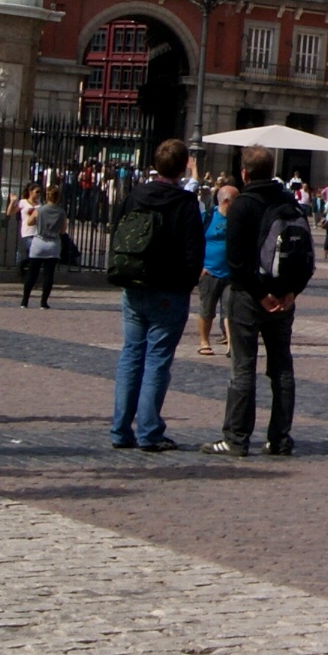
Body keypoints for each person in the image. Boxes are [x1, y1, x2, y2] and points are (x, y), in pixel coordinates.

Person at [209, 146, 309, 457]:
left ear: (244, 173)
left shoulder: (243, 205)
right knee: (281, 368)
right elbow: (304, 255)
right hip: (285, 298)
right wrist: (292, 291)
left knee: (243, 367)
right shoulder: (289, 202)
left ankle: (236, 438)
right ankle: (279, 438)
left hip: (249, 298)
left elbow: (236, 261)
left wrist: (259, 294)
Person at [107, 139, 205, 451]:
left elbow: (116, 228)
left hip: (134, 283)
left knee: (131, 355)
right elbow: (194, 251)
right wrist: (187, 282)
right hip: (169, 288)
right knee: (157, 360)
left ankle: (120, 429)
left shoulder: (136, 193)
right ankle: (149, 431)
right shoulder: (185, 203)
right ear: (182, 167)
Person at [195, 182, 238, 352]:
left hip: (230, 272)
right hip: (209, 271)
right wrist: (199, 266)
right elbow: (195, 242)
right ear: (226, 201)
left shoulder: (238, 219)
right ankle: (204, 342)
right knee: (207, 310)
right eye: (236, 199)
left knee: (230, 311)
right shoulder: (208, 217)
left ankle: (230, 343)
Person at [18, 180, 66, 307]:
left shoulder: (40, 210)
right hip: (53, 243)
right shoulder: (61, 212)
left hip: (39, 241)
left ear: (46, 196)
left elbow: (29, 222)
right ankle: (43, 302)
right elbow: (63, 230)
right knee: (48, 274)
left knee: (32, 273)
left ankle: (25, 301)